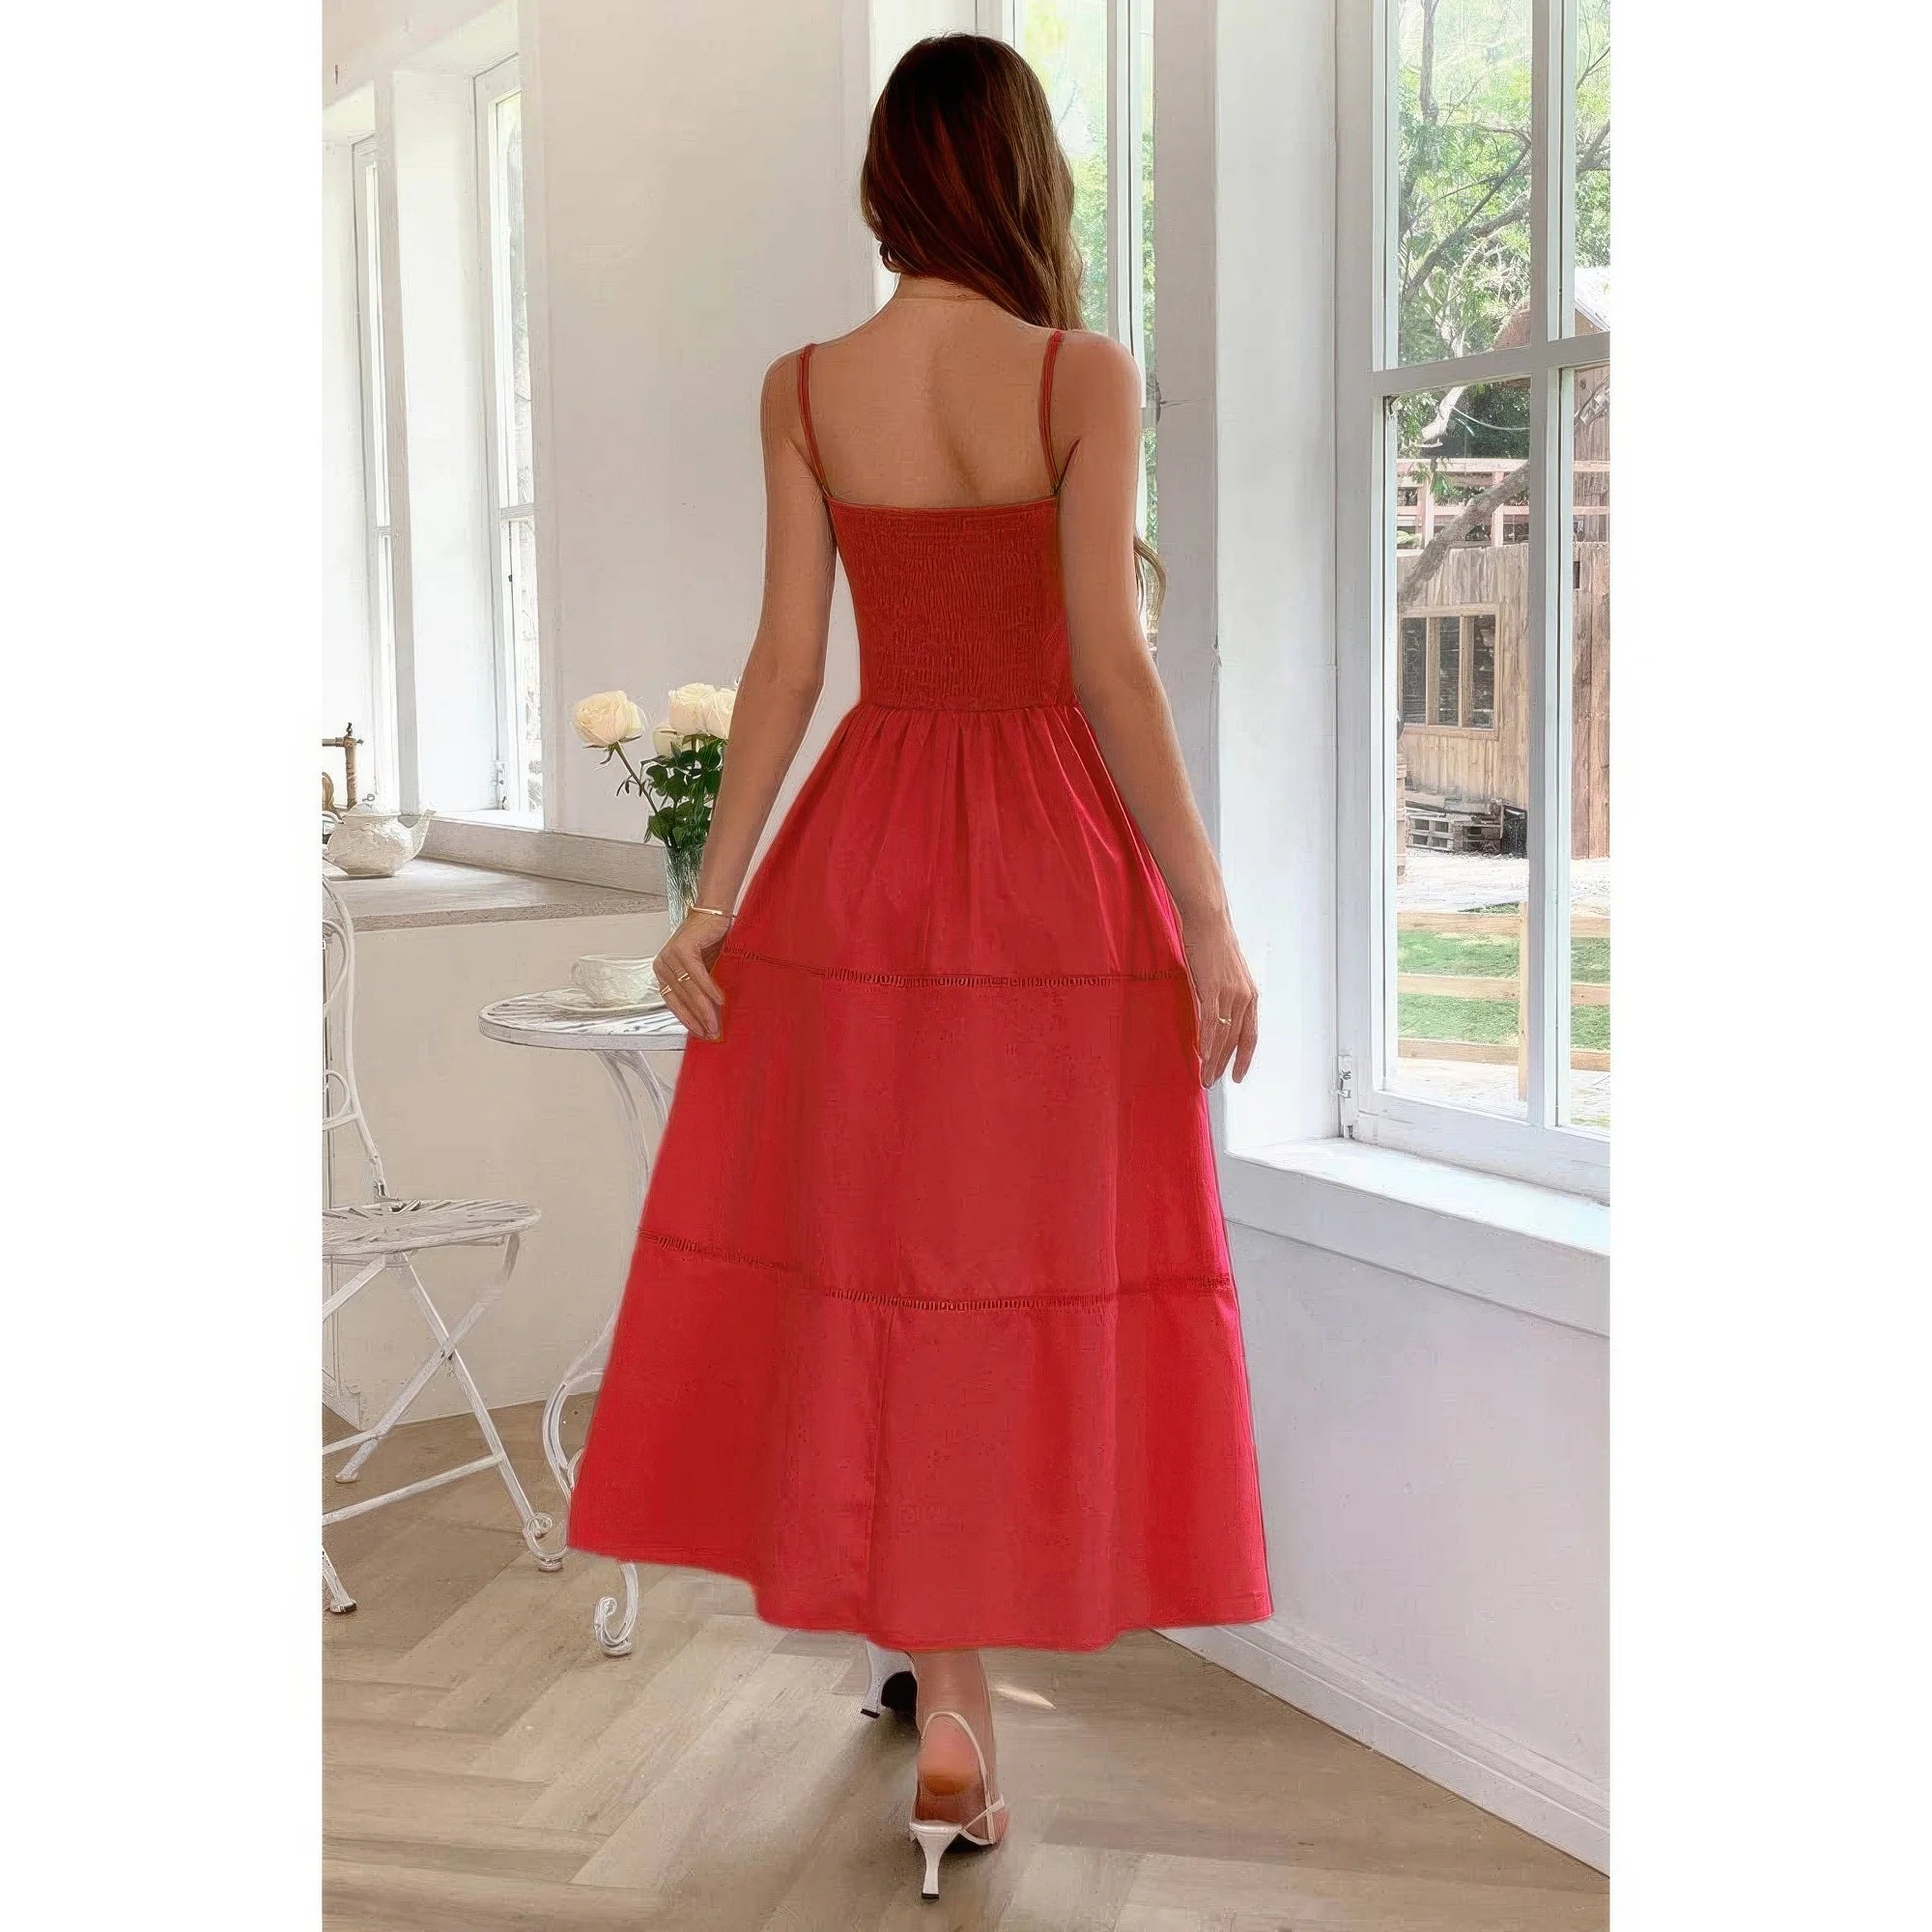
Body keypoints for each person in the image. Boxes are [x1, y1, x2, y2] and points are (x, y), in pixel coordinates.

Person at [566, 31, 1272, 1901]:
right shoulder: (1076, 372)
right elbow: (1110, 668)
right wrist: (1204, 911)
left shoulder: (809, 386)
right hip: (1049, 863)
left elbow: (787, 663)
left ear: (893, 178)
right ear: (1024, 178)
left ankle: (947, 1698)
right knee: (1021, 1264)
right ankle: (960, 1691)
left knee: (888, 1265)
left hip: (867, 858)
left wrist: (715, 898)